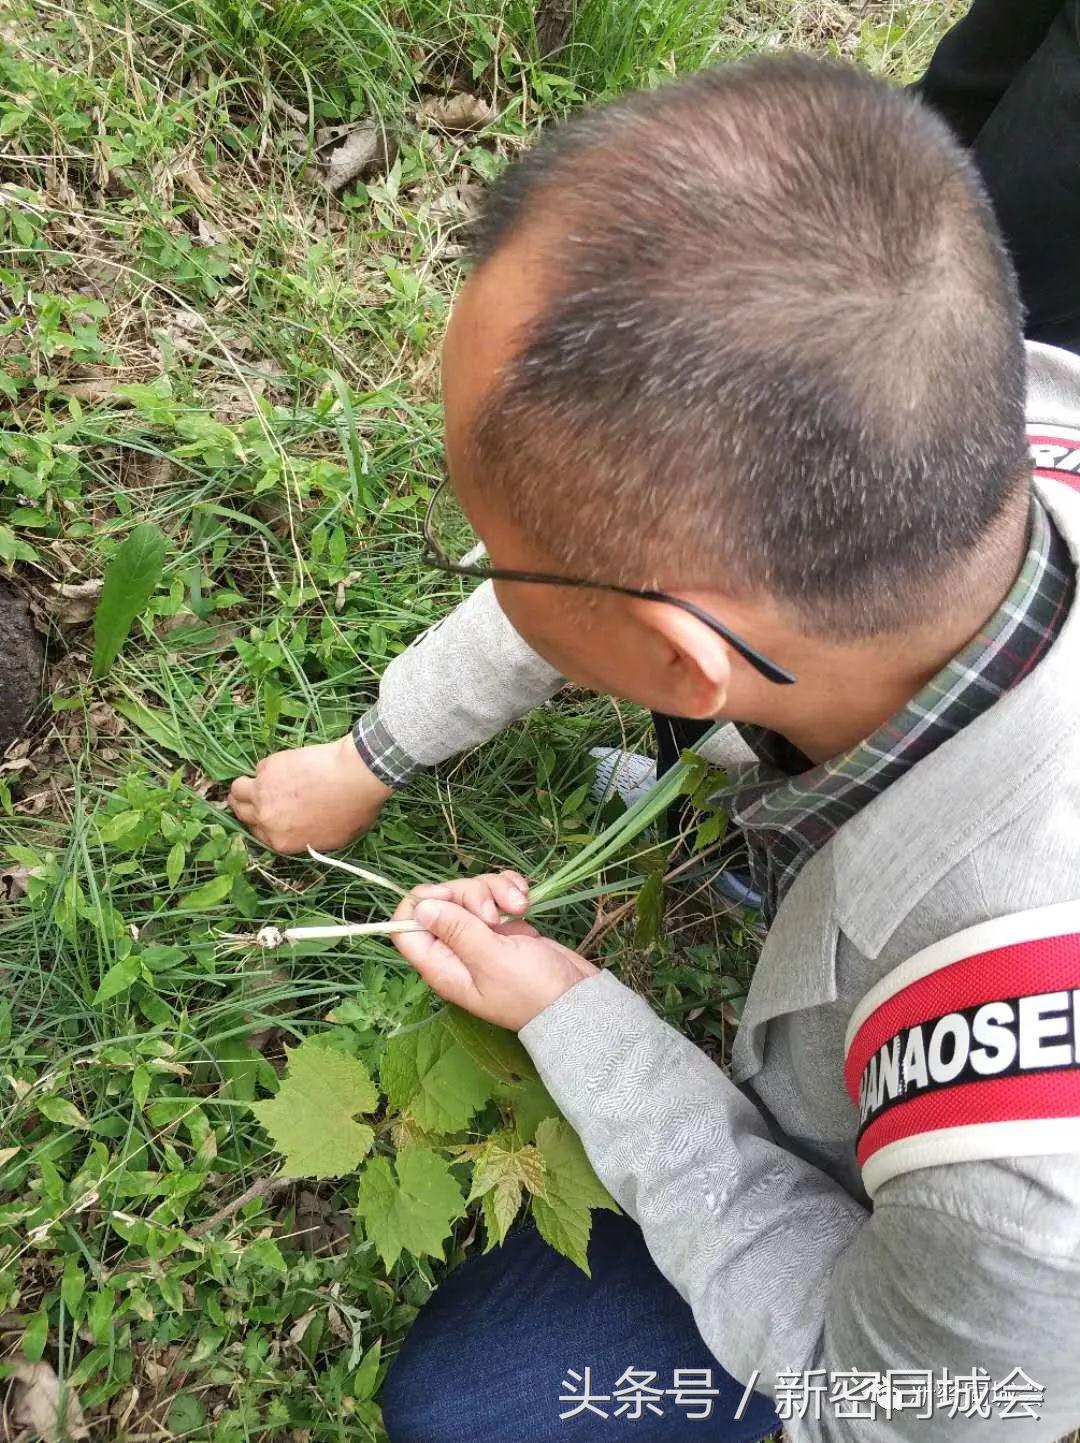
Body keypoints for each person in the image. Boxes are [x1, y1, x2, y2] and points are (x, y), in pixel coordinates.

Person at [227, 42, 1080, 1443]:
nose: (488, 579)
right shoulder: (1001, 420)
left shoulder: (1024, 1164)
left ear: (686, 663)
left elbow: (897, 1402)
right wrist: (371, 753)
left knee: (479, 1404)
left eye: (495, 558)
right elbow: (616, 572)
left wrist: (579, 1016)